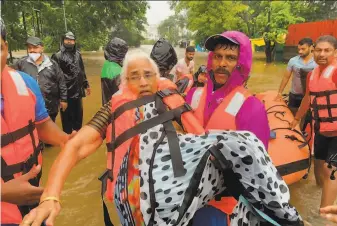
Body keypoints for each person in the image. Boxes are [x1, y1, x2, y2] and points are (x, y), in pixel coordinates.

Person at [19, 50, 304, 226]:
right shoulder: (112, 109)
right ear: (124, 82)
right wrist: (51, 195)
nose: (143, 82)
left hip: (178, 198)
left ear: (158, 78)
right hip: (134, 202)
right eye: (134, 76)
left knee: (244, 146)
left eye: (148, 75)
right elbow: (75, 147)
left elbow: (202, 141)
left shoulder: (172, 100)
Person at [185, 31, 270, 225]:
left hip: (223, 207)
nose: (222, 63)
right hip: (186, 199)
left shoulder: (251, 107)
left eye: (231, 58)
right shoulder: (193, 96)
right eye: (218, 56)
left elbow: (258, 170)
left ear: (243, 62)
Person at [0, 18, 73, 226]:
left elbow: (41, 125)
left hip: (34, 196)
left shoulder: (24, 82)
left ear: (6, 47)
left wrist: (65, 140)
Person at [291, 35, 337, 209]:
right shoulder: (311, 75)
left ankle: (323, 216)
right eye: (318, 50)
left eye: (327, 50)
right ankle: (320, 193)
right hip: (321, 130)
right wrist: (296, 119)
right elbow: (308, 99)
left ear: (335, 53)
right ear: (313, 50)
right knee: (318, 169)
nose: (321, 54)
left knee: (330, 171)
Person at [13, 36, 67, 122]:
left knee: (50, 131)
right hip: (29, 107)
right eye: (29, 48)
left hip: (50, 106)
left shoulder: (52, 64)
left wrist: (64, 99)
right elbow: (13, 83)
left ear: (42, 48)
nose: (32, 50)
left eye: (35, 47)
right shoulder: (21, 64)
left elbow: (61, 81)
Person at [51, 31, 91, 134]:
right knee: (67, 119)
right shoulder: (57, 56)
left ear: (74, 41)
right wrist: (58, 95)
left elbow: (81, 71)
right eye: (67, 40)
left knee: (78, 116)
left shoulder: (78, 54)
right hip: (65, 93)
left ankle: (77, 136)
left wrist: (86, 84)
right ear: (63, 40)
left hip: (78, 91)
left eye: (72, 40)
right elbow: (54, 76)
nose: (69, 42)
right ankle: (68, 138)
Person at [276, 38, 316, 115]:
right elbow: (286, 77)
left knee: (308, 117)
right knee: (292, 115)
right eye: (299, 49)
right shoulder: (293, 61)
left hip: (311, 95)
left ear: (311, 47)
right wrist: (280, 93)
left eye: (303, 49)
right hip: (295, 95)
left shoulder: (317, 61)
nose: (300, 51)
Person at [101, 37, 128, 105]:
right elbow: (122, 95)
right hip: (116, 108)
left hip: (107, 105)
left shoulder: (107, 64)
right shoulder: (116, 71)